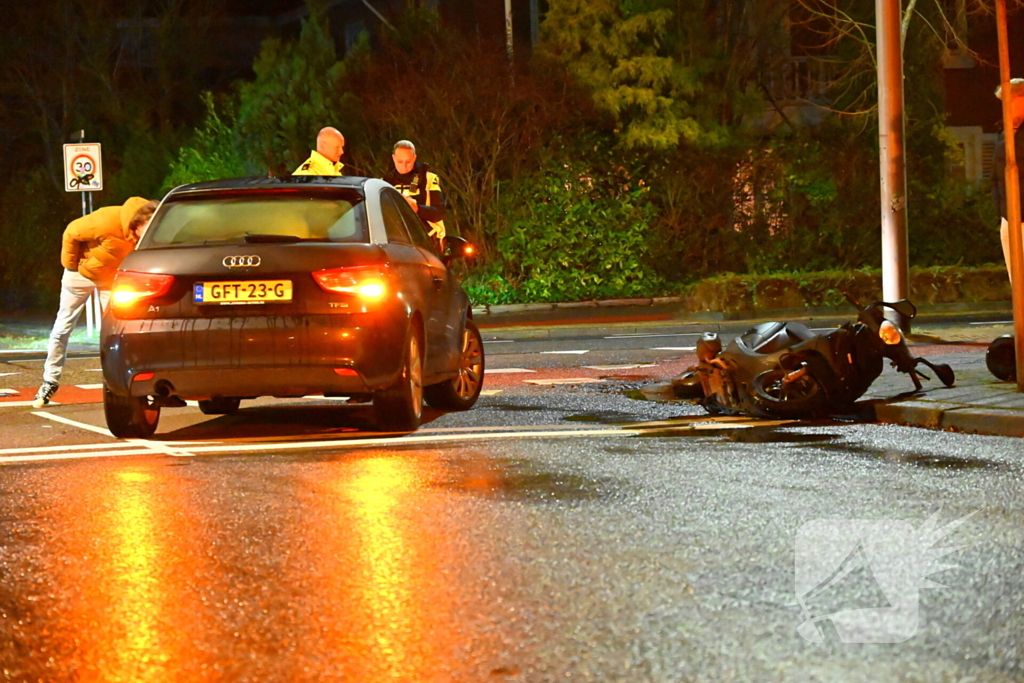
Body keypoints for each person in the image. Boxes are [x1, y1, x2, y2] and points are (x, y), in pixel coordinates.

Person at [33, 197, 158, 408]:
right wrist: (72, 266)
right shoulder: (107, 220)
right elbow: (72, 232)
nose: (150, 235)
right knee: (63, 326)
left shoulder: (143, 235)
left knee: (115, 330)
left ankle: (118, 382)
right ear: (139, 222)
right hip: (80, 275)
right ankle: (50, 381)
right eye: (148, 229)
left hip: (111, 281)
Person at [383, 139, 447, 242]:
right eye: (400, 161)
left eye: (408, 162)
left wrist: (416, 208)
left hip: (428, 240)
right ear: (393, 158)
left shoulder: (428, 178)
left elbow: (439, 213)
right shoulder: (385, 182)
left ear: (414, 158)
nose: (404, 166)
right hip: (396, 240)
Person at [993, 78, 1024, 283]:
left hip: (1021, 215)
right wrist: (1001, 214)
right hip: (1009, 217)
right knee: (1018, 282)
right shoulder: (1005, 135)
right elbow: (996, 177)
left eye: (1009, 101)